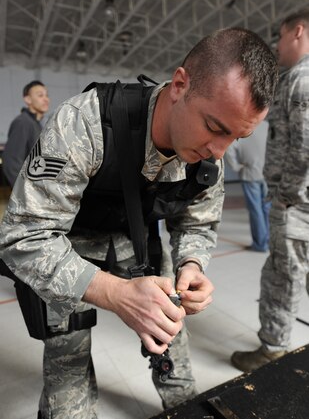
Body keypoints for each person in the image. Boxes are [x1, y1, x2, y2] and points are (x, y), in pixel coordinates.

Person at [0, 28, 278, 418]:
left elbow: (197, 223)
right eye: (215, 128)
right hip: (67, 251)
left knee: (176, 364)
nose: (220, 151)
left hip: (138, 246)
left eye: (236, 137)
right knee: (67, 388)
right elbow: (23, 236)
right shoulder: (86, 123)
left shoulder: (210, 154)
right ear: (180, 84)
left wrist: (191, 266)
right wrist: (115, 293)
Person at [231, 8, 309, 373]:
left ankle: (273, 348)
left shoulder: (301, 81)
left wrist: (287, 195)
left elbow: (305, 147)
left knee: (281, 276)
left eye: (279, 37)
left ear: (298, 32)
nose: (277, 46)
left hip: (298, 208)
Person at [224, 120, 271, 252]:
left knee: (255, 210)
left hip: (250, 174)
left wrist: (236, 166)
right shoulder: (267, 125)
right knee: (267, 208)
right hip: (268, 173)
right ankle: (269, 241)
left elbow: (229, 148)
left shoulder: (244, 127)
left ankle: (260, 244)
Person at [2, 80, 50, 187]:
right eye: (40, 95)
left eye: (47, 95)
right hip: (30, 197)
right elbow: (12, 162)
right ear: (28, 99)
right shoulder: (23, 122)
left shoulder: (36, 124)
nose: (46, 99)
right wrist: (24, 193)